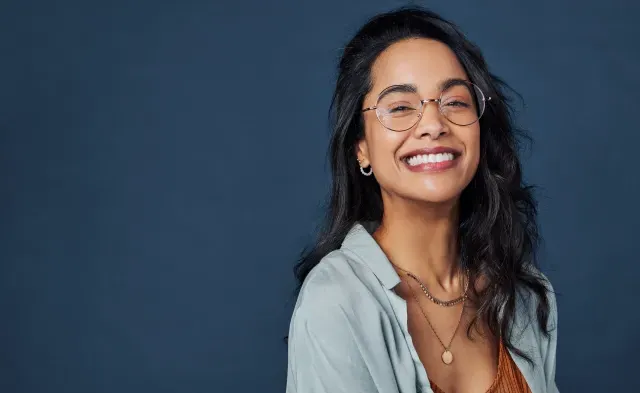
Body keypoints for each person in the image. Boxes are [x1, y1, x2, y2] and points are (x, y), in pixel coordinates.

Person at [286, 6, 558, 393]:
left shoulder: (526, 293)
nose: (433, 125)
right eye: (400, 107)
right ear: (360, 147)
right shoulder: (337, 299)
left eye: (455, 102)